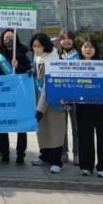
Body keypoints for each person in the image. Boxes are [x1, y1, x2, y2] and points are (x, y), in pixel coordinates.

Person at [76, 38, 103, 178]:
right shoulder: (75, 65)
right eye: (85, 46)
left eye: (91, 47)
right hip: (83, 107)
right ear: (81, 49)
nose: (88, 49)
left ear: (96, 49)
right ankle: (86, 166)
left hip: (102, 106)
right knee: (84, 137)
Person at [30, 33, 67, 174]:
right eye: (34, 46)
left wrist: (40, 109)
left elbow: (48, 86)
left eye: (39, 46)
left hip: (54, 102)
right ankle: (45, 156)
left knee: (55, 131)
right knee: (43, 130)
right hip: (40, 100)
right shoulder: (37, 58)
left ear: (45, 46)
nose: (36, 49)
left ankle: (57, 161)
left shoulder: (55, 59)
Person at [0, 29, 31, 164]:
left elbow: (28, 71)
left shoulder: (23, 52)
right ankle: (4, 153)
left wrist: (19, 67)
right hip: (2, 93)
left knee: (21, 126)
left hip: (19, 94)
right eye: (6, 37)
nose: (8, 40)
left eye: (11, 37)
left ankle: (20, 154)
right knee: (2, 126)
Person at [58, 30, 79, 165]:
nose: (66, 41)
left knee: (77, 126)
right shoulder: (56, 55)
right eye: (63, 38)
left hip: (77, 96)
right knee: (62, 126)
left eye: (69, 38)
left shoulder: (80, 55)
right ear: (59, 41)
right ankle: (63, 152)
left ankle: (77, 153)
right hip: (61, 96)